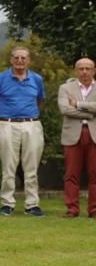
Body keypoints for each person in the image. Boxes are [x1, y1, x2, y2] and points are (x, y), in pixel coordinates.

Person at [0, 47, 46, 216]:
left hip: (31, 124)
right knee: (8, 167)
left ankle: (32, 204)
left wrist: (30, 117)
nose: (20, 60)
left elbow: (40, 101)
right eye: (17, 57)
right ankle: (7, 204)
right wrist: (2, 119)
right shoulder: (0, 79)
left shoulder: (36, 79)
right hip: (7, 124)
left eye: (23, 58)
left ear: (28, 60)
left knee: (32, 167)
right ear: (11, 60)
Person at [57, 57, 96, 218]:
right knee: (71, 174)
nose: (84, 71)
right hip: (72, 134)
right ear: (76, 70)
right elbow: (65, 109)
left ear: (94, 70)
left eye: (88, 68)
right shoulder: (65, 88)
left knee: (95, 174)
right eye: (81, 68)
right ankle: (72, 209)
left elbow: (73, 107)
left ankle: (94, 210)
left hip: (94, 134)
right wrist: (91, 112)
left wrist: (78, 104)